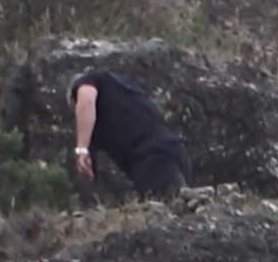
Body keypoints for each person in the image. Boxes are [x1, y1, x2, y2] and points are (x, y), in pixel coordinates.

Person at [66, 69, 192, 200]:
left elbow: (86, 99)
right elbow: (89, 175)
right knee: (180, 209)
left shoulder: (90, 81)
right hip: (175, 151)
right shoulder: (124, 96)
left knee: (170, 208)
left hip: (151, 156)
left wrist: (81, 150)